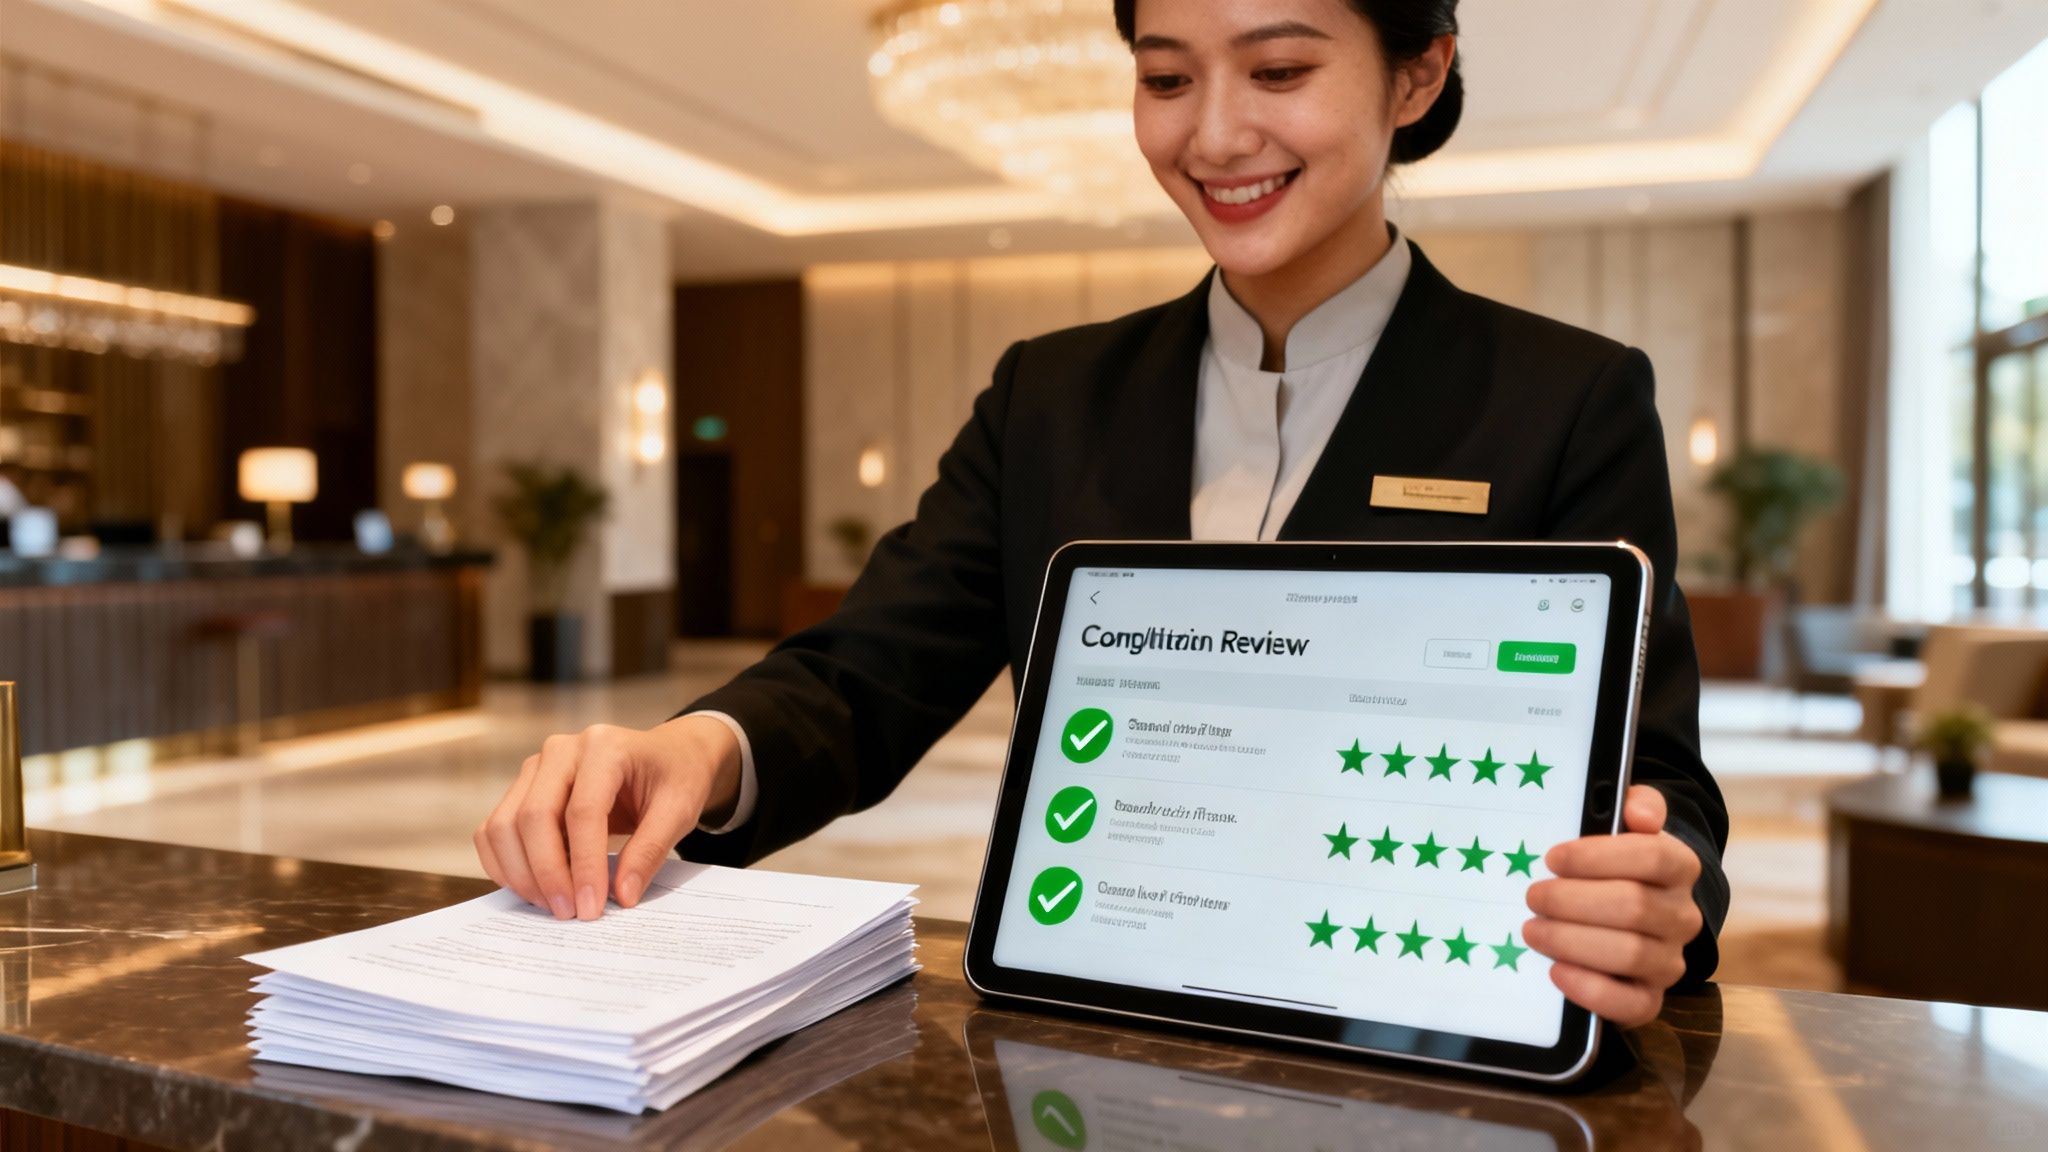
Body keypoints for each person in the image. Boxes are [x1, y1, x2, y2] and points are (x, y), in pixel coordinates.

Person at [476, 0, 1728, 1029]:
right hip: (1085, 1034)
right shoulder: (1050, 395)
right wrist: (699, 749)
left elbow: (1656, 778)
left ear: (1417, 73)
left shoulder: (1565, 397)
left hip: (1410, 1038)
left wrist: (1669, 901)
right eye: (1165, 78)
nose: (1216, 134)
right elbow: (864, 676)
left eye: (1279, 68)